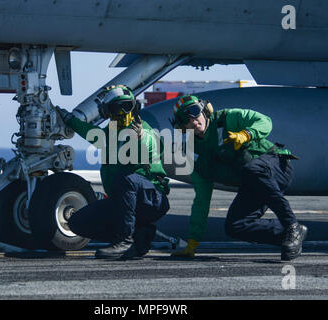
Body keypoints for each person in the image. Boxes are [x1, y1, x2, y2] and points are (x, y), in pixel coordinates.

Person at [170, 95, 307, 261]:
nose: (193, 120)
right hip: (254, 182)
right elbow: (201, 200)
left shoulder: (228, 118)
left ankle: (290, 225)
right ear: (181, 126)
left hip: (276, 166)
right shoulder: (197, 156)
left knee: (252, 169)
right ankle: (289, 234)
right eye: (186, 118)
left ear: (205, 110)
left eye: (194, 111)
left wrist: (246, 134)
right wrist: (193, 241)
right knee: (235, 226)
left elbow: (265, 121)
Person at [56, 85, 170, 259]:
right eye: (114, 108)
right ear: (106, 111)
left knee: (124, 179)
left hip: (152, 199)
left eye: (126, 106)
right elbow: (89, 133)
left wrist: (139, 138)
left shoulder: (144, 130)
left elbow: (151, 146)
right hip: (125, 202)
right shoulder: (109, 134)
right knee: (77, 223)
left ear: (133, 108)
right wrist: (69, 119)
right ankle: (140, 235)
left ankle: (125, 240)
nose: (121, 112)